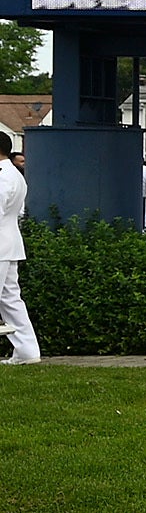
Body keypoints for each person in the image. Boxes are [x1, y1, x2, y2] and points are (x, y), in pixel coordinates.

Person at [0, 131, 36, 364]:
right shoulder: (14, 174)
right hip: (9, 242)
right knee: (11, 300)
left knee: (11, 299)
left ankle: (27, 351)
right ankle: (27, 351)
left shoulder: (3, 176)